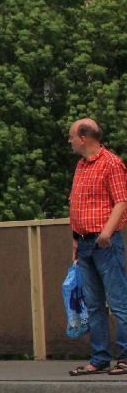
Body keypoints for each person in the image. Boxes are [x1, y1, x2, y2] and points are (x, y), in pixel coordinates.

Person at [66, 118, 127, 376]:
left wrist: (106, 233)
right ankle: (100, 357)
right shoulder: (81, 165)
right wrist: (75, 241)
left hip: (105, 243)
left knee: (118, 301)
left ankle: (125, 356)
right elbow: (77, 204)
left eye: (71, 136)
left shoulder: (111, 163)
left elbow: (122, 201)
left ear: (84, 137)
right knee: (93, 304)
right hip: (84, 243)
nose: (69, 141)